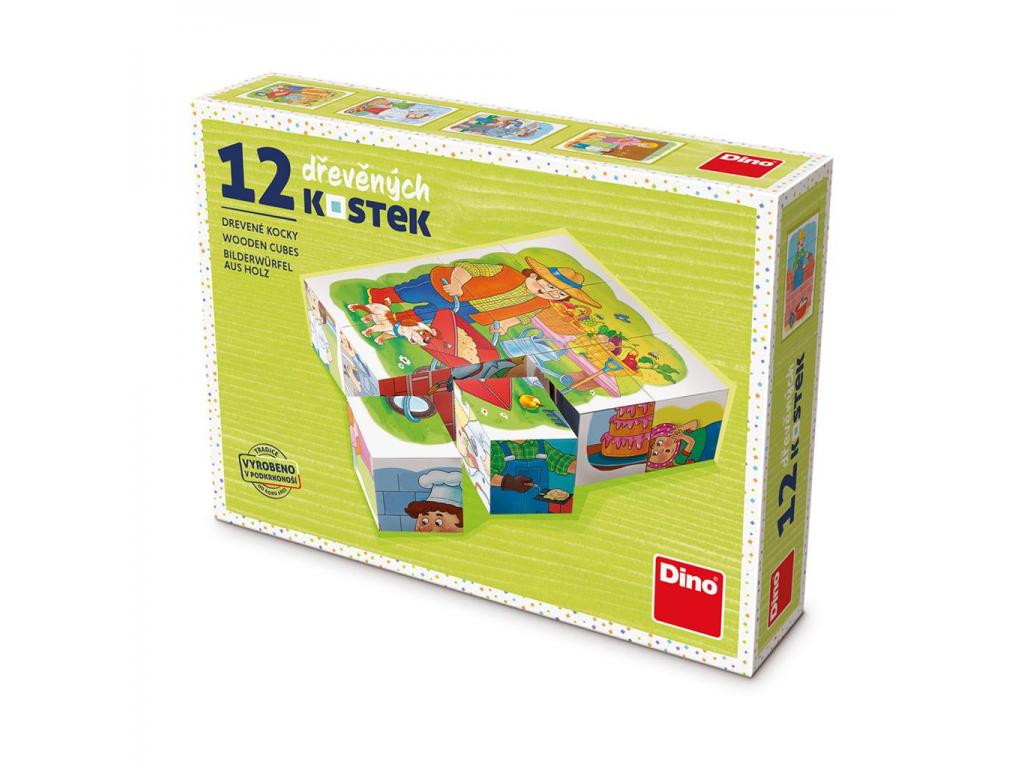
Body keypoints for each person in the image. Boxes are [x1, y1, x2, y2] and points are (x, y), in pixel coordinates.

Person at [367, 250, 600, 334]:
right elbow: (471, 268)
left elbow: (522, 316)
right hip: (447, 289)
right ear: (535, 275)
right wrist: (457, 283)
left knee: (429, 316)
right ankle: (381, 296)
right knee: (412, 293)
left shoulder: (540, 304)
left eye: (558, 294)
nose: (549, 293)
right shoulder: (508, 273)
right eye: (549, 285)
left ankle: (396, 320)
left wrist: (506, 324)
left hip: (471, 313)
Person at [489, 439, 576, 514]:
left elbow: (561, 461)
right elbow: (487, 474)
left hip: (538, 513)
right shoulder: (494, 446)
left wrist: (580, 468)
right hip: (505, 513)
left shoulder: (541, 445)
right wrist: (509, 483)